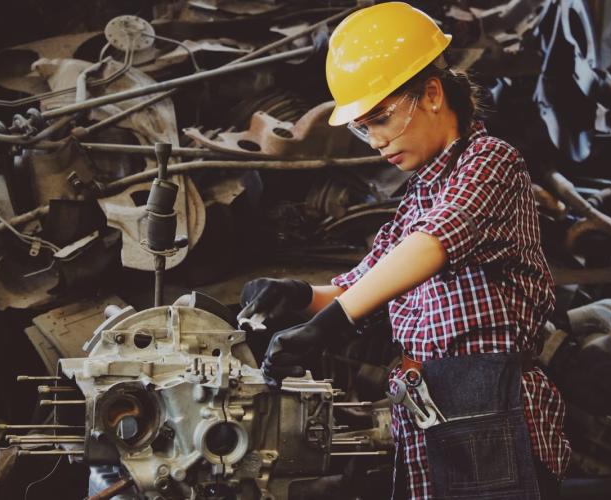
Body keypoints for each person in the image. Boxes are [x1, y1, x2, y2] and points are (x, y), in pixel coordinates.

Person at [237, 3, 570, 499]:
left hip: (492, 414)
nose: (375, 140)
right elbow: (359, 286)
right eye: (363, 127)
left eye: (382, 118)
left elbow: (434, 243)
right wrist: (298, 296)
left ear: (432, 93)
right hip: (430, 414)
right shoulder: (417, 197)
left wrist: (330, 324)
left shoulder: (491, 162)